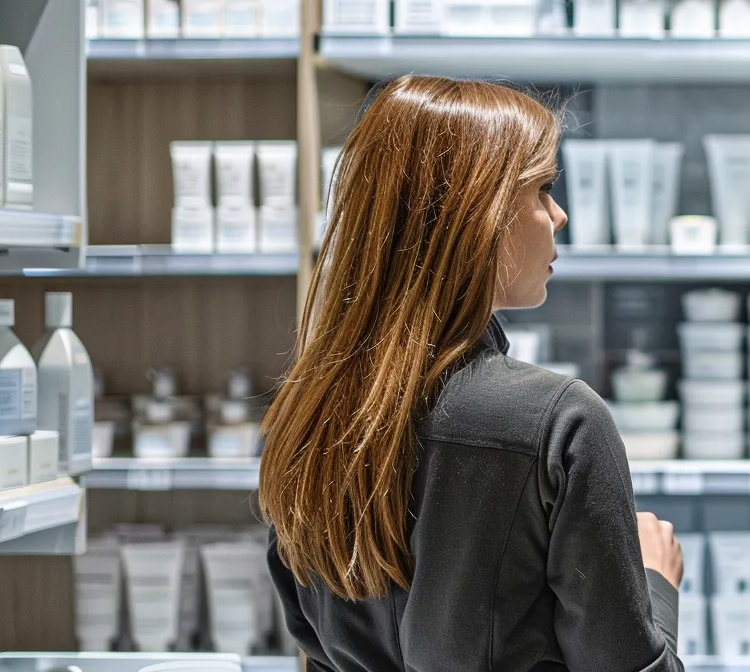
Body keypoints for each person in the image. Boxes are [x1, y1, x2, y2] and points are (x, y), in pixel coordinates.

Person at [257, 75, 686, 671]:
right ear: (476, 213)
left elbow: (313, 643)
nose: (557, 216)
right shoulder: (560, 422)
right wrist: (655, 581)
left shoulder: (308, 417)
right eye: (541, 190)